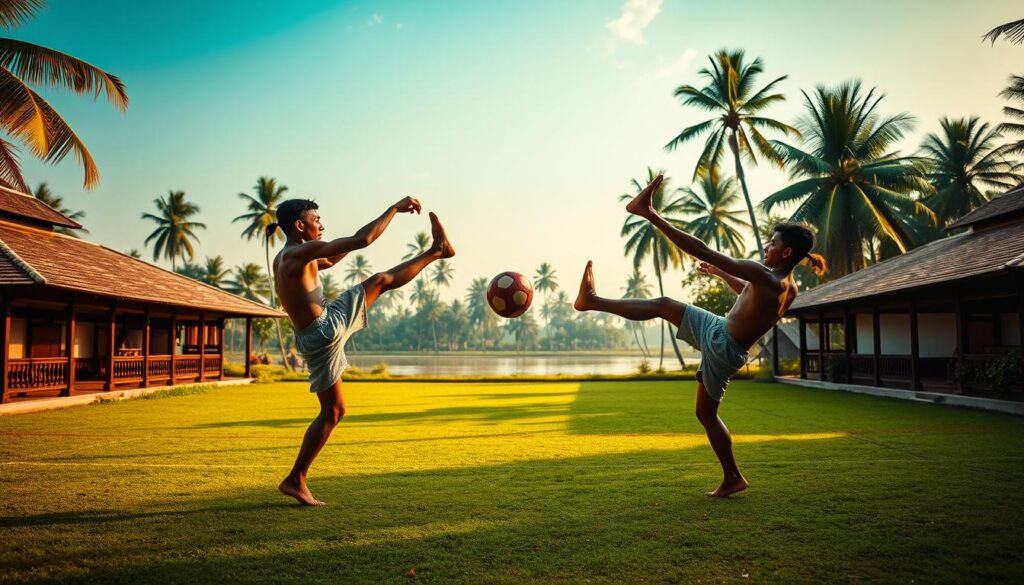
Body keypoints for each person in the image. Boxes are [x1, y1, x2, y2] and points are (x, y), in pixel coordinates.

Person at [574, 174, 825, 497]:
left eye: (772, 244)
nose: (766, 247)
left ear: (787, 252)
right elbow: (751, 299)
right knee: (703, 408)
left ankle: (593, 299)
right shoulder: (787, 288)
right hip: (723, 334)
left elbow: (702, 249)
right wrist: (721, 274)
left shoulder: (766, 276)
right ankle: (733, 478)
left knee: (667, 314)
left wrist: (652, 215)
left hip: (723, 344)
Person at [270, 196, 455, 505]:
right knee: (381, 281)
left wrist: (350, 245)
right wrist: (394, 209)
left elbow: (331, 258)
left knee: (334, 411)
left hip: (310, 336)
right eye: (317, 220)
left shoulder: (288, 257)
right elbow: (361, 240)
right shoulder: (298, 253)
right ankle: (437, 251)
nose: (322, 225)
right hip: (324, 328)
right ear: (300, 226)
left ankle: (294, 479)